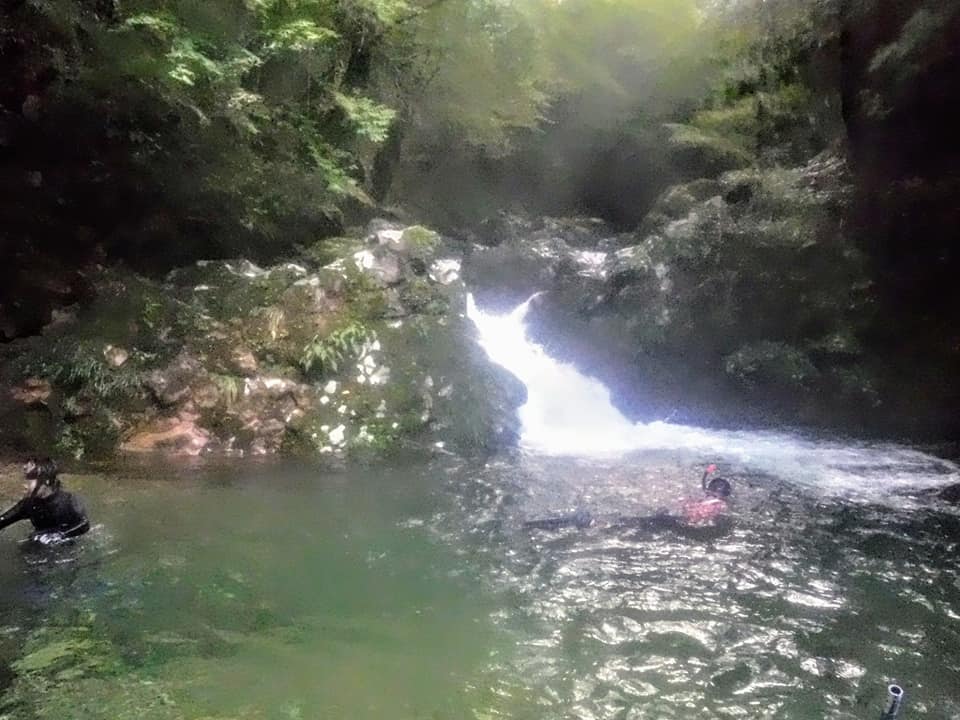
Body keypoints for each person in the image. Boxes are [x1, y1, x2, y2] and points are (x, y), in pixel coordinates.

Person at [0, 458, 90, 544]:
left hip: (68, 546)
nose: (24, 484)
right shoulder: (28, 504)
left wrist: (60, 535)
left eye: (30, 477)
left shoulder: (68, 500)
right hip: (40, 545)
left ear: (47, 481)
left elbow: (84, 524)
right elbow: (4, 520)